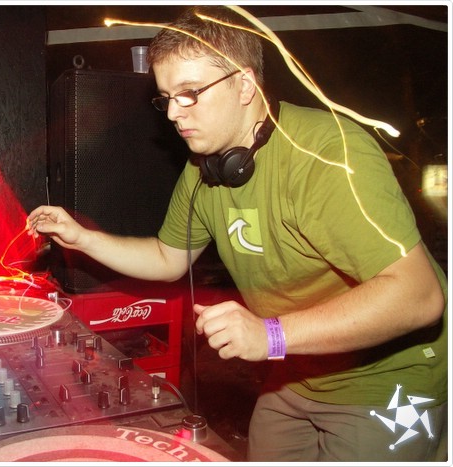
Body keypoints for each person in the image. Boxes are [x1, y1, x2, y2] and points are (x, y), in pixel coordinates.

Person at [28, 5, 447, 462]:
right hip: (295, 376)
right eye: (166, 98)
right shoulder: (203, 168)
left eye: (190, 93)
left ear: (245, 85)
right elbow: (168, 258)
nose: (173, 113)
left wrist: (271, 335)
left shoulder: (328, 156)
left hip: (385, 384)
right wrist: (83, 237)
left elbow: (419, 296)